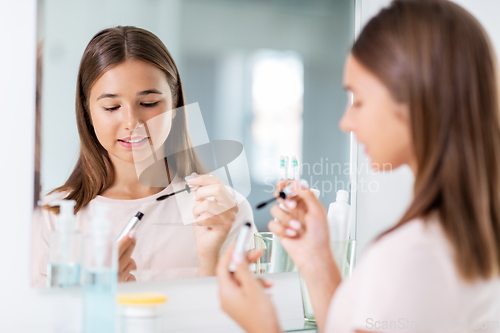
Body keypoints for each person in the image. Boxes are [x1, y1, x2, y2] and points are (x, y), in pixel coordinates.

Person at [216, 1, 500, 332]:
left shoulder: (411, 258)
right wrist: (317, 259)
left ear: (417, 99)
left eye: (359, 100)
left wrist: (262, 325)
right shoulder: (457, 241)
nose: (346, 122)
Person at [32, 26, 255, 287]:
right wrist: (97, 296)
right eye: (111, 107)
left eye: (148, 103)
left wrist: (210, 260)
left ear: (174, 105)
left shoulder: (221, 209)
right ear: (87, 111)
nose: (131, 122)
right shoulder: (54, 217)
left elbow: (240, 322)